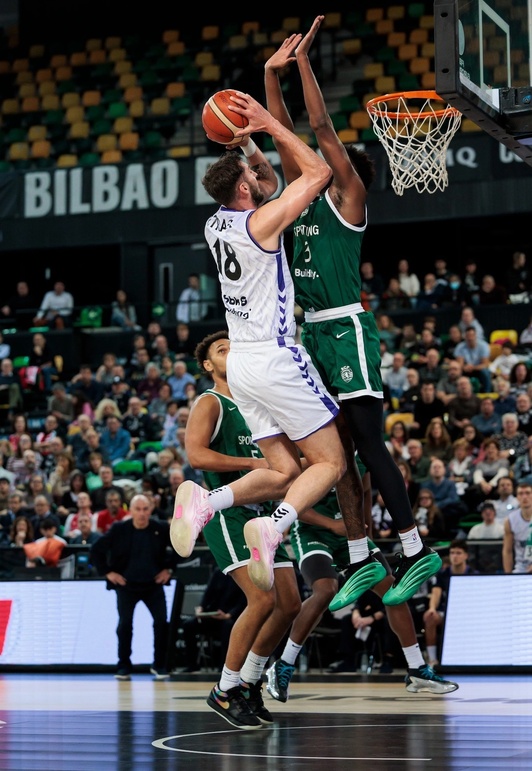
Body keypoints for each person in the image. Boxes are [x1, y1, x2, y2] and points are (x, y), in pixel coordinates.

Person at [262, 17, 442, 611]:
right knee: (331, 456)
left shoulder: (349, 200)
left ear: (347, 176)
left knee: (369, 443)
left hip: (346, 329)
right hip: (311, 338)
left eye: (333, 161)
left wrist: (305, 65)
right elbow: (285, 132)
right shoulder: (303, 194)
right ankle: (363, 558)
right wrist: (270, 78)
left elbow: (314, 126)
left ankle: (416, 552)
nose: (317, 160)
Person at [171, 81, 350, 600]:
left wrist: (247, 146)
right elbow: (317, 173)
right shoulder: (262, 223)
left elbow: (266, 180)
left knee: (282, 468)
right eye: (253, 175)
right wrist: (271, 126)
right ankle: (274, 527)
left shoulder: (216, 224)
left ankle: (209, 503)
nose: (260, 176)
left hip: (243, 365)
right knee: (330, 464)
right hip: (275, 355)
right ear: (245, 191)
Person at [181, 331, 303, 728]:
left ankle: (249, 681)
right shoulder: (211, 401)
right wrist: (249, 465)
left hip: (264, 513)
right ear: (207, 365)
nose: (230, 352)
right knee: (262, 600)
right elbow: (196, 453)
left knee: (289, 605)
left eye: (233, 347)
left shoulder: (256, 402)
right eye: (221, 350)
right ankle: (225, 688)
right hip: (229, 512)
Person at [90, 493, 177, 680]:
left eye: (145, 509)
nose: (142, 513)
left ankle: (160, 664)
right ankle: (123, 666)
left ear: (151, 510)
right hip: (126, 585)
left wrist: (169, 569)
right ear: (130, 511)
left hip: (153, 584)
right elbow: (96, 550)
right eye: (138, 509)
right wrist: (108, 572)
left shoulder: (160, 528)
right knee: (124, 625)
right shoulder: (119, 529)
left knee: (162, 622)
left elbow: (181, 547)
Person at [421, 539, 477, 667]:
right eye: (452, 553)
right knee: (430, 618)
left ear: (466, 556)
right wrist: (432, 608)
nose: (454, 556)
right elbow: (436, 593)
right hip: (445, 612)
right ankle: (433, 660)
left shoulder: (473, 574)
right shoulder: (442, 574)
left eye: (458, 553)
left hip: (466, 613)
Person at [180, 567, 247, 672]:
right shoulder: (218, 572)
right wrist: (201, 608)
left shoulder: (244, 573)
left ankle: (225, 667)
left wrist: (229, 615)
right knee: (188, 625)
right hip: (212, 615)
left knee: (228, 626)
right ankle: (192, 665)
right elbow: (208, 593)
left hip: (231, 617)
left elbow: (244, 601)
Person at [502, 481, 532, 574]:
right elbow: (507, 550)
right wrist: (508, 574)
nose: (524, 497)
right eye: (521, 494)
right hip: (521, 567)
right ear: (517, 497)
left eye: (527, 493)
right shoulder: (510, 520)